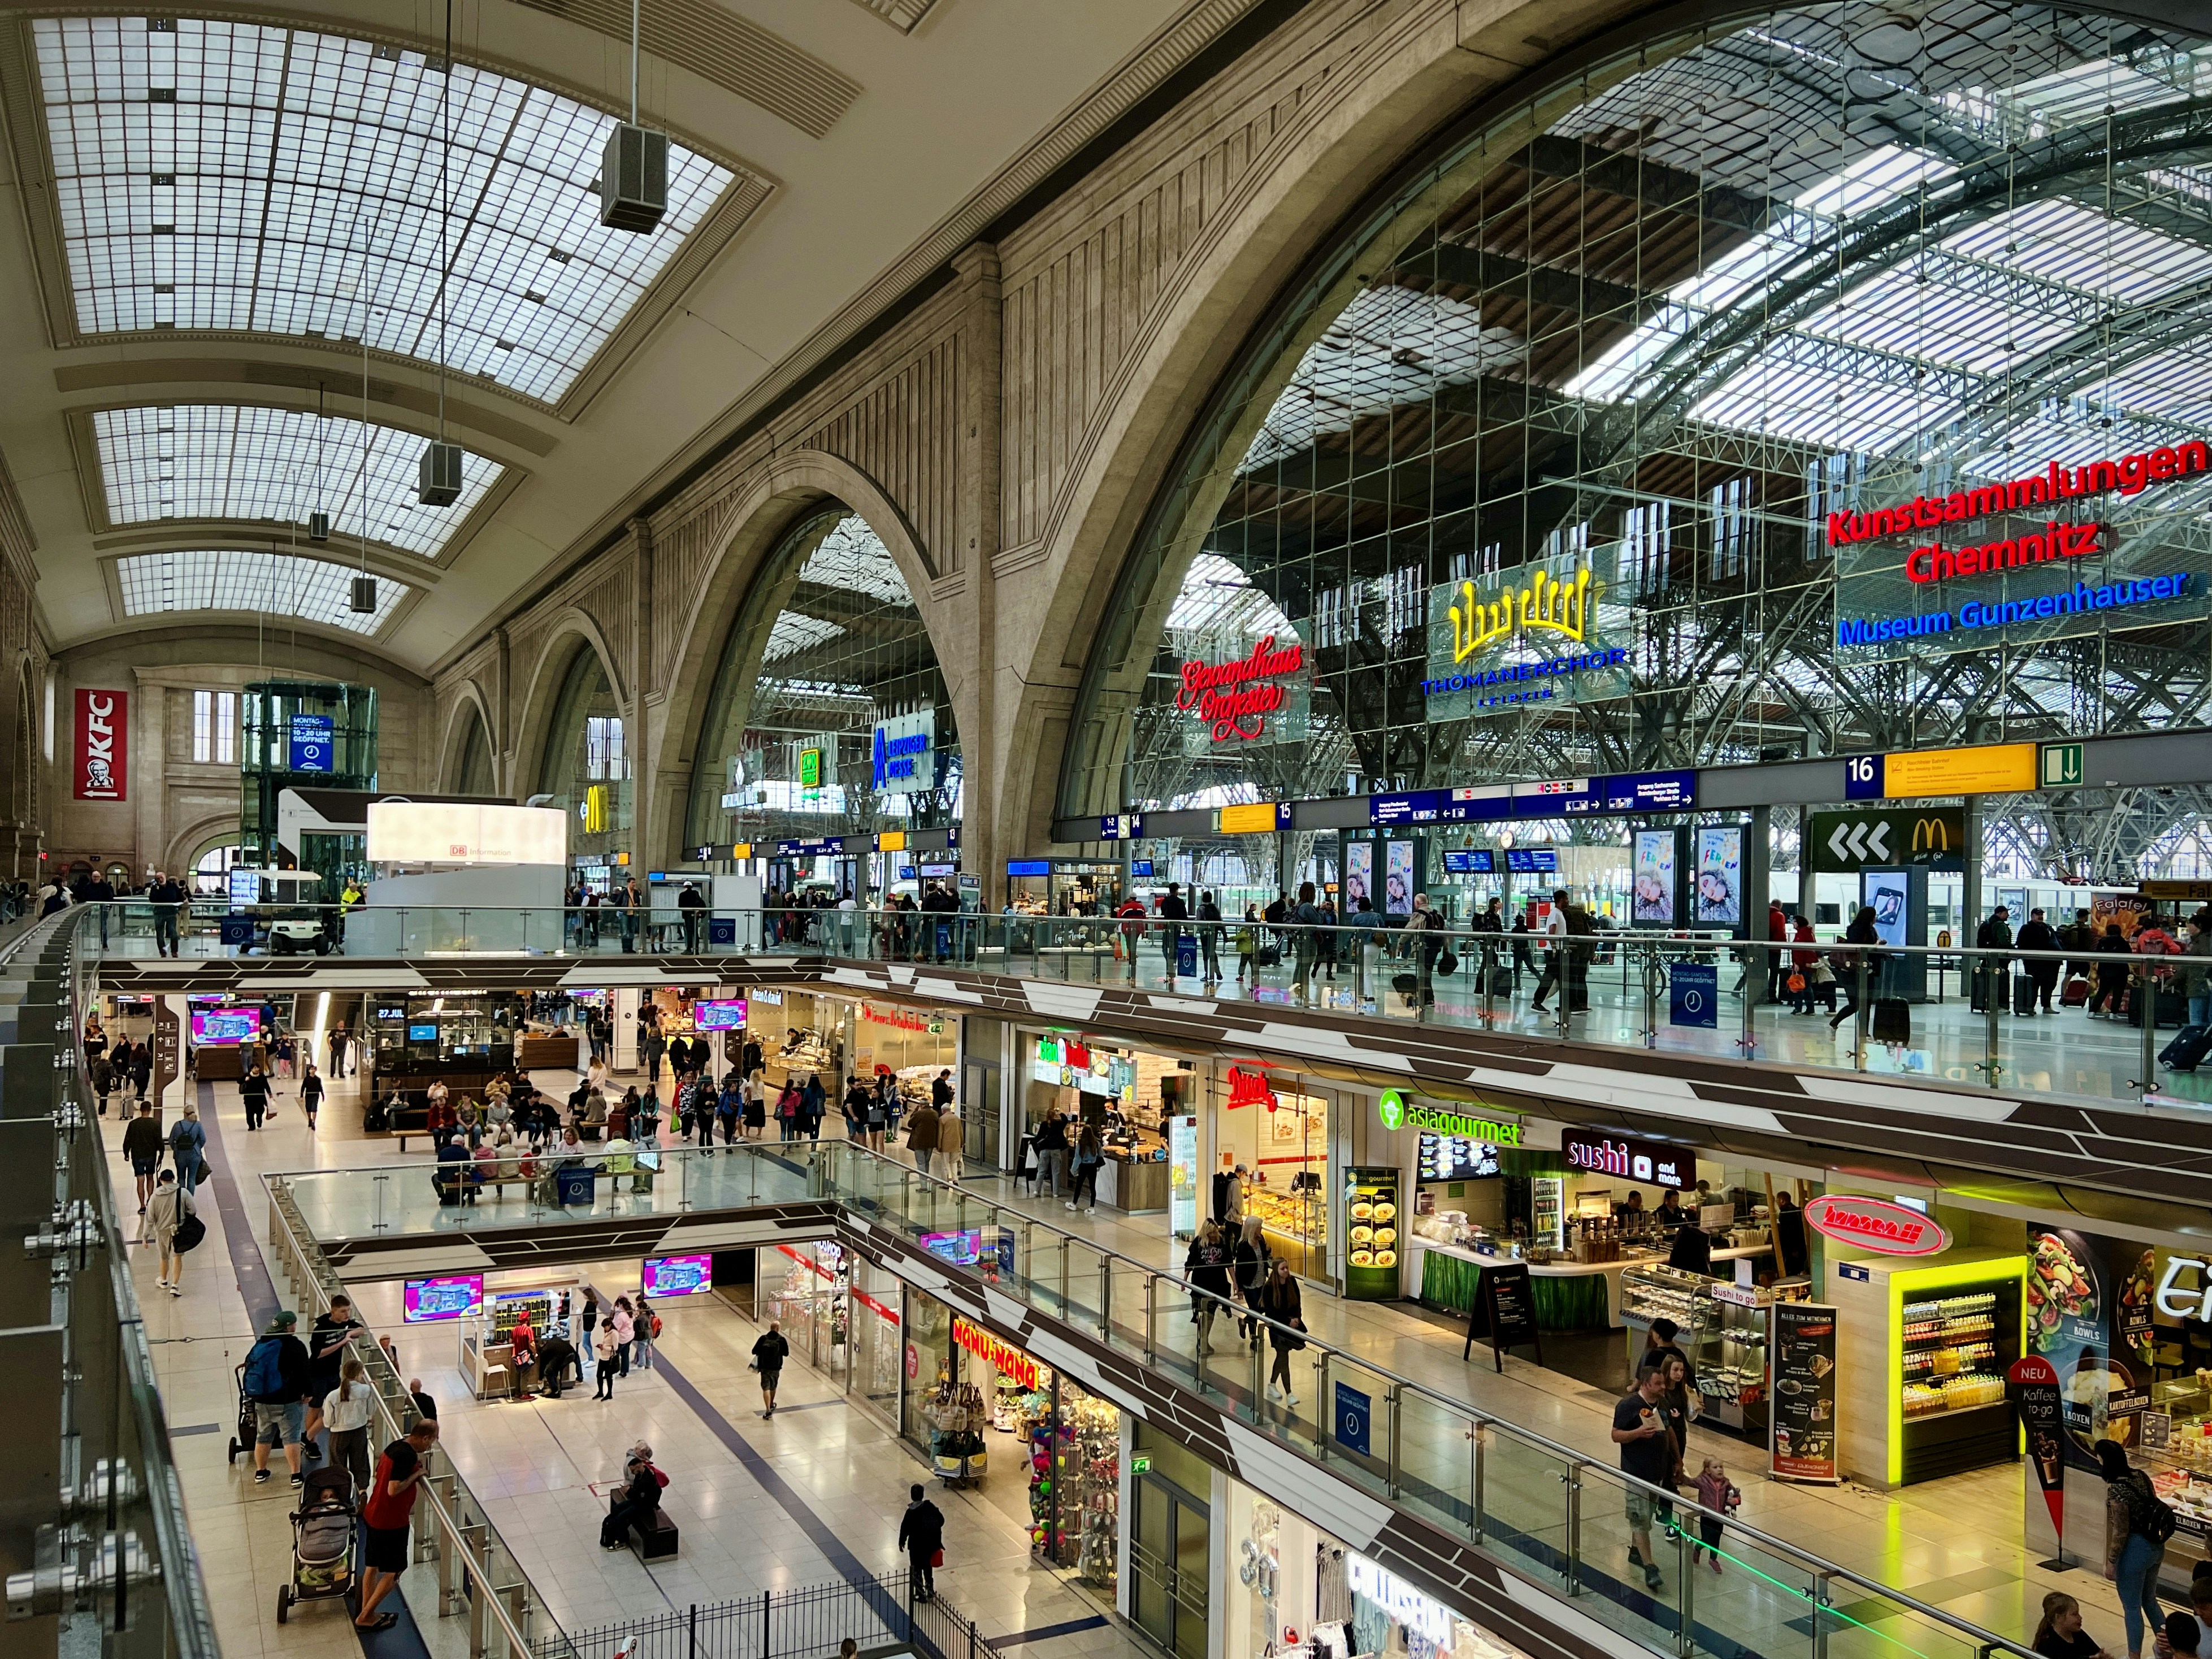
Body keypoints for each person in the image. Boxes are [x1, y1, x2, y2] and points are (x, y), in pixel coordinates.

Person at [355, 1418, 440, 1632]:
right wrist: (416, 1474)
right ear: (425, 1437)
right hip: (391, 1522)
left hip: (374, 1515)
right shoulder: (407, 1455)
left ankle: (368, 1611)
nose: (429, 1447)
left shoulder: (396, 1446)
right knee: (394, 1571)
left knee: (372, 1567)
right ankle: (365, 1616)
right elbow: (394, 1489)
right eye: (430, 1443)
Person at [2103, 1437, 2167, 1659]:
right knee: (2150, 1599)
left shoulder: (2117, 1490)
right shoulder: (2141, 1476)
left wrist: (2112, 1562)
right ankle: (2171, 1648)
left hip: (2134, 1550)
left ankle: (2134, 1657)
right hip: (2156, 1546)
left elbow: (2121, 1532)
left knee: (2132, 1607)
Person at [1612, 1363, 1672, 1592]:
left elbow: (1669, 1431)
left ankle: (1636, 1551)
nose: (1663, 1387)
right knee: (1640, 1518)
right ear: (1646, 1384)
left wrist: (1677, 1461)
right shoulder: (1628, 1406)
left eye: (1663, 1383)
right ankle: (1650, 1567)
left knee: (1645, 1514)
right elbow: (1615, 1435)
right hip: (1636, 1473)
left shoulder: (1662, 1403)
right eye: (1658, 1384)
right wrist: (1637, 1434)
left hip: (1658, 1472)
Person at [244, 1309, 313, 1488]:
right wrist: (309, 1392)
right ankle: (296, 1475)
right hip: (287, 1399)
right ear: (289, 1326)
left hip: (262, 1399)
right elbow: (305, 1371)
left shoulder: (262, 1343)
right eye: (294, 1324)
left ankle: (260, 1471)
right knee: (291, 1437)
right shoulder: (295, 1346)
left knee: (264, 1436)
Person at [303, 1294, 364, 1456]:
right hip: (317, 1374)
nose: (347, 1315)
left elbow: (361, 1329)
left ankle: (307, 1438)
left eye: (348, 1311)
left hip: (333, 1374)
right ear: (333, 1311)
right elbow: (317, 1354)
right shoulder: (321, 1329)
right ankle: (311, 1442)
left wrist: (349, 1335)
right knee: (315, 1409)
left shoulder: (346, 1324)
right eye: (343, 1311)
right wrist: (341, 1343)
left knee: (335, 1405)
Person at [600, 1443, 667, 1549]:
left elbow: (640, 1498)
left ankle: (622, 1541)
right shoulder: (639, 1475)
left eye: (633, 1470)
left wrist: (630, 1491)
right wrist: (631, 1490)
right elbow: (637, 1492)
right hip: (638, 1501)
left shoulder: (647, 1480)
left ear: (639, 1466)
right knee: (617, 1508)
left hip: (645, 1506)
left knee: (622, 1517)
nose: (632, 1473)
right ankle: (618, 1530)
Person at [323, 1357, 375, 1496]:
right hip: (359, 1431)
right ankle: (362, 1491)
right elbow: (371, 1411)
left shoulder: (332, 1396)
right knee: (361, 1463)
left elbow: (328, 1422)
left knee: (337, 1465)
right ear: (359, 1374)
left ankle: (340, 1493)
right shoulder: (366, 1390)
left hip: (339, 1434)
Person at [1255, 1257, 1303, 1402]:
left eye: (1287, 1268)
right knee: (1283, 1356)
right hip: (1277, 1327)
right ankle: (1289, 1393)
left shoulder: (1292, 1282)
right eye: (1283, 1269)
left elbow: (1297, 1302)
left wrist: (1297, 1318)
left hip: (1290, 1325)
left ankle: (1272, 1384)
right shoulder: (1269, 1287)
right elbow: (1270, 1312)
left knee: (1282, 1356)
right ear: (1276, 1270)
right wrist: (1287, 1321)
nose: (1286, 1271)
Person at [1828, 906, 1882, 1032]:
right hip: (1854, 970)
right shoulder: (1861, 930)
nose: (1876, 918)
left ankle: (1863, 1032)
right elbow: (1860, 947)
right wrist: (1877, 946)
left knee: (1864, 1003)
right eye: (1874, 916)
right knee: (1857, 1003)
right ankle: (1837, 1024)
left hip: (1865, 970)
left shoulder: (1864, 929)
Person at [1185, 1219, 1234, 1355]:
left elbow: (1229, 1263)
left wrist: (1235, 1283)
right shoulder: (1199, 1242)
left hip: (1217, 1283)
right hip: (1201, 1282)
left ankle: (1203, 1340)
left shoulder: (1223, 1242)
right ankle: (1203, 1340)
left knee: (1210, 1313)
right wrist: (1185, 1280)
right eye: (1211, 1232)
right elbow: (1191, 1260)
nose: (1214, 1234)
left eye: (1215, 1231)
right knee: (1202, 1313)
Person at [148, 1168, 193, 1295]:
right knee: (177, 1255)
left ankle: (163, 1281)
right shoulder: (183, 1193)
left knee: (164, 1257)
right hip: (178, 1230)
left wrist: (145, 1236)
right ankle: (175, 1285)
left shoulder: (155, 1196)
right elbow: (193, 1210)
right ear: (173, 1179)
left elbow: (150, 1217)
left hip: (162, 1231)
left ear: (161, 1180)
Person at [1690, 1457, 1739, 1575]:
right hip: (1707, 1516)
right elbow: (1689, 1482)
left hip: (1720, 1516)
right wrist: (1679, 1475)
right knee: (1707, 1539)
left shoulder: (1726, 1483)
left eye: (1721, 1467)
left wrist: (1735, 1501)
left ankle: (1713, 1559)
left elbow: (1735, 1494)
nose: (1719, 1470)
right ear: (1707, 1470)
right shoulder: (1702, 1481)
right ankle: (1697, 1548)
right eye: (1715, 1467)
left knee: (1716, 1539)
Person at [897, 1482, 946, 1601]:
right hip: (929, 1545)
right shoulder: (930, 1507)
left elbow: (905, 1528)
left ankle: (920, 1594)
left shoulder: (910, 1513)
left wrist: (902, 1542)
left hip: (915, 1547)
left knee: (916, 1570)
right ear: (923, 1495)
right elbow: (941, 1520)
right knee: (927, 1568)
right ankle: (930, 1590)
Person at [1530, 890, 1573, 1012]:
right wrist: (1554, 948)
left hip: (1557, 950)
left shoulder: (1558, 913)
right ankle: (1537, 1002)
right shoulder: (1556, 914)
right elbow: (1551, 932)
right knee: (1549, 978)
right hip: (1555, 952)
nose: (1568, 901)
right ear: (1561, 900)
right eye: (1566, 899)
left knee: (1561, 978)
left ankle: (1565, 1004)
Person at [2035, 1592, 2114, 1659]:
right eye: (2074, 1614)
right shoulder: (2048, 1645)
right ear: (2059, 1618)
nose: (2080, 1618)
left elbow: (2095, 1651)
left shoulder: (2078, 1634)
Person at [122, 1098, 163, 1215]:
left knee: (140, 1180)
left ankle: (142, 1206)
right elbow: (159, 1141)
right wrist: (162, 1153)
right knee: (150, 1177)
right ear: (150, 1110)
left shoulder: (133, 1124)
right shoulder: (155, 1124)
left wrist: (126, 1153)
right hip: (151, 1155)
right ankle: (150, 1200)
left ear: (141, 1110)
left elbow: (127, 1140)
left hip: (137, 1156)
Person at [1231, 1215, 1269, 1344]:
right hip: (1250, 1283)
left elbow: (1264, 1258)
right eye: (1259, 1227)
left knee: (1261, 1308)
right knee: (1254, 1309)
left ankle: (1245, 1321)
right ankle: (1254, 1338)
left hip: (1261, 1281)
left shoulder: (1261, 1240)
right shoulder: (1243, 1246)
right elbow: (1240, 1268)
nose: (1261, 1229)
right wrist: (1240, 1287)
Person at [2019, 907, 2062, 1014]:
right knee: (2034, 985)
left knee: (2049, 984)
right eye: (2038, 914)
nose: (2040, 916)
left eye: (2042, 914)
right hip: (2034, 963)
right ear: (2032, 916)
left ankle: (2047, 1006)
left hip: (2049, 962)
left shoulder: (2047, 928)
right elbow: (2021, 944)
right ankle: (2030, 1007)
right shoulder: (2027, 928)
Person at [2092, 923, 2135, 1019]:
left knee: (2102, 991)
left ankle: (2092, 1011)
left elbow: (2098, 954)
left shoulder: (2102, 941)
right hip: (2120, 970)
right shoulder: (2122, 942)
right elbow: (2129, 954)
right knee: (2118, 992)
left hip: (2105, 970)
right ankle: (2113, 1013)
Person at [753, 1320, 790, 1417]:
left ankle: (768, 1410)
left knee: (766, 1388)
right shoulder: (781, 1340)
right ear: (778, 1329)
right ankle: (771, 1403)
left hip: (764, 1368)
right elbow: (786, 1353)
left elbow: (754, 1351)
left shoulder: (763, 1339)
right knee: (773, 1386)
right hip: (775, 1368)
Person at [168, 1102, 206, 1198]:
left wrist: (176, 1149)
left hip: (180, 1155)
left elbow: (171, 1140)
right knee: (191, 1178)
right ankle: (190, 1200)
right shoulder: (197, 1125)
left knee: (181, 1178)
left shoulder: (178, 1125)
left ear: (184, 1113)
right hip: (194, 1155)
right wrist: (197, 1148)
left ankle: (182, 1199)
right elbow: (203, 1139)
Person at [1031, 1109, 1069, 1201]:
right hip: (1056, 1150)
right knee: (1056, 1172)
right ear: (1054, 1115)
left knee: (1041, 1171)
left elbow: (1039, 1136)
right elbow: (1066, 1120)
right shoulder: (1059, 1124)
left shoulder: (1044, 1124)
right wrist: (1060, 1113)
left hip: (1045, 1149)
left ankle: (1037, 1190)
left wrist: (1033, 1142)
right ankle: (1055, 1193)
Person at [535, 1330, 580, 1399]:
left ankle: (556, 1391)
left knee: (548, 1371)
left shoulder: (545, 1350)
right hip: (572, 1354)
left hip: (564, 1357)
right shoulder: (554, 1339)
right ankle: (559, 1389)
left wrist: (540, 1379)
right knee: (557, 1371)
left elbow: (542, 1366)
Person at [1069, 1122, 1103, 1213]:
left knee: (1079, 1186)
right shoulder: (1097, 1143)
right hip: (1093, 1167)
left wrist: (1073, 1170)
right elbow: (1101, 1154)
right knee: (1093, 1187)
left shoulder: (1081, 1144)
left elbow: (1077, 1158)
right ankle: (1092, 1208)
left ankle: (1074, 1204)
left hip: (1084, 1167)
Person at [906, 1094, 940, 1176]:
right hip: (931, 1142)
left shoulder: (919, 1114)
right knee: (927, 1162)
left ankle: (923, 1186)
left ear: (920, 1105)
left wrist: (915, 1111)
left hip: (919, 1142)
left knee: (921, 1163)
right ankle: (926, 1179)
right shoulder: (935, 1114)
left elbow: (910, 1124)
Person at [1197, 889, 1223, 983]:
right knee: (1212, 952)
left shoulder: (1201, 909)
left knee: (1205, 954)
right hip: (1214, 934)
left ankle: (1207, 974)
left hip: (1204, 934)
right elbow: (1220, 921)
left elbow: (1199, 922)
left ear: (1203, 899)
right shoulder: (1216, 908)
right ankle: (1217, 971)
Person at [592, 1321, 622, 1400]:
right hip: (603, 1357)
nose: (605, 1328)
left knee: (609, 1377)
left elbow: (615, 1348)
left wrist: (604, 1347)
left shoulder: (614, 1333)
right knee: (599, 1375)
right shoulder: (607, 1332)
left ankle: (609, 1394)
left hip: (609, 1358)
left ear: (610, 1325)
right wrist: (602, 1346)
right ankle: (600, 1392)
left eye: (606, 1326)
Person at [609, 1298, 636, 1378]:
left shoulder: (622, 1315)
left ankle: (611, 1371)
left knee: (614, 1355)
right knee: (625, 1354)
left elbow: (617, 1327)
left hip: (622, 1338)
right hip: (630, 1336)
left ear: (621, 1305)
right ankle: (624, 1371)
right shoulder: (630, 1312)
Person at [240, 1063, 272, 1131]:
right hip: (249, 1100)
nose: (257, 1069)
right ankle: (252, 1126)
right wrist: (245, 1080)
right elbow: (239, 1081)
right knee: (249, 1114)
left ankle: (259, 1120)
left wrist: (270, 1094)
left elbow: (266, 1086)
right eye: (255, 1068)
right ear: (251, 1069)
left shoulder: (262, 1077)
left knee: (260, 1111)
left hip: (260, 1099)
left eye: (258, 1068)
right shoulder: (247, 1076)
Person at [632, 1295, 656, 1371]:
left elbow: (635, 1322)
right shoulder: (648, 1315)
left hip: (644, 1335)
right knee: (648, 1349)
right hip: (650, 1334)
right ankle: (649, 1364)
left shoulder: (642, 1317)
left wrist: (635, 1315)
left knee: (641, 1350)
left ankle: (641, 1365)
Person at [300, 1063, 324, 1132]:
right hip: (308, 1095)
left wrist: (323, 1095)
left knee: (314, 1108)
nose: (313, 1070)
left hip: (315, 1095)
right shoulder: (306, 1079)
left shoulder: (318, 1079)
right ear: (309, 1070)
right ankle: (310, 1119)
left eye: (314, 1069)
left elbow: (320, 1087)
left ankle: (313, 1122)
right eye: (311, 1069)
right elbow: (303, 1087)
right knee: (308, 1109)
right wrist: (301, 1096)